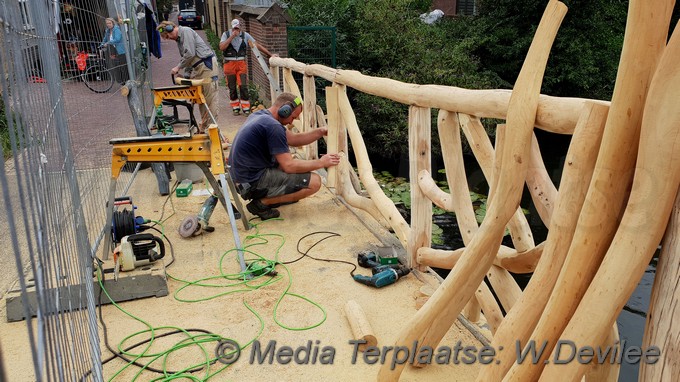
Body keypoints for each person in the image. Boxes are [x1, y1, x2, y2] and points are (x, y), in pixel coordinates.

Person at [229, 92, 341, 220]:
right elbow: (289, 166)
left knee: (294, 165)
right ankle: (261, 204)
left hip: (244, 180)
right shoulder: (273, 126)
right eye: (293, 117)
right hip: (252, 183)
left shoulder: (261, 116)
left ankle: (273, 197)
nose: (291, 122)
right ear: (284, 110)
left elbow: (293, 139)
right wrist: (322, 162)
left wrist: (320, 132)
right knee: (314, 182)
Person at [158, 21, 219, 133]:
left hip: (206, 65)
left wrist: (177, 67)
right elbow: (188, 60)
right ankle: (204, 128)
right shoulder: (179, 40)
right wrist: (185, 77)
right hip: (197, 67)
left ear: (172, 28)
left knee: (210, 99)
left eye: (168, 36)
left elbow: (190, 53)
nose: (169, 38)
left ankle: (213, 130)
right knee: (201, 99)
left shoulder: (185, 31)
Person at [218, 18, 277, 116]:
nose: (236, 30)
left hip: (241, 63)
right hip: (229, 63)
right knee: (232, 87)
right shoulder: (226, 34)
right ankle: (235, 107)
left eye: (237, 28)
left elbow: (256, 45)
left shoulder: (245, 35)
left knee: (243, 86)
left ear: (240, 27)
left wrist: (270, 54)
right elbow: (221, 47)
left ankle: (245, 107)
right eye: (234, 28)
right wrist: (231, 37)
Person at [99, 18, 128, 84]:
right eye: (107, 23)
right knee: (116, 66)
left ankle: (127, 81)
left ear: (113, 23)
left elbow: (117, 39)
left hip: (121, 50)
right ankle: (120, 81)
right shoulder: (107, 31)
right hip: (113, 50)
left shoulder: (116, 29)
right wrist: (101, 45)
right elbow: (105, 39)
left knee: (123, 66)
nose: (108, 25)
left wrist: (108, 43)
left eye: (110, 23)